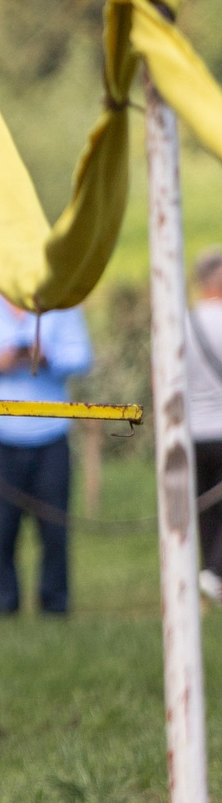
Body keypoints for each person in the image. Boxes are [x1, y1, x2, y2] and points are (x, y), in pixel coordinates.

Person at [0, 282, 94, 617]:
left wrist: (48, 357)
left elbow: (83, 357)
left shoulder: (63, 302)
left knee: (55, 531)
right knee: (1, 529)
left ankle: (56, 607)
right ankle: (4, 607)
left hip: (51, 432)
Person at [190, 247, 222, 607]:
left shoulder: (180, 321)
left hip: (192, 432)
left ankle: (208, 573)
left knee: (205, 508)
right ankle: (213, 573)